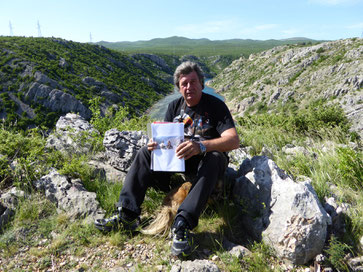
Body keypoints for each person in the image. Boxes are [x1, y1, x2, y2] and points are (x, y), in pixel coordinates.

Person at [95, 61, 240, 257]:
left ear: (201, 83)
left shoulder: (216, 106)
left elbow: (233, 140)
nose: (189, 87)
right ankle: (127, 214)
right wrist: (155, 145)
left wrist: (202, 146)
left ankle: (183, 223)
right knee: (144, 153)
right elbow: (166, 137)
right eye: (184, 84)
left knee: (214, 157)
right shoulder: (174, 106)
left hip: (208, 165)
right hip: (180, 161)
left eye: (193, 81)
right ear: (179, 88)